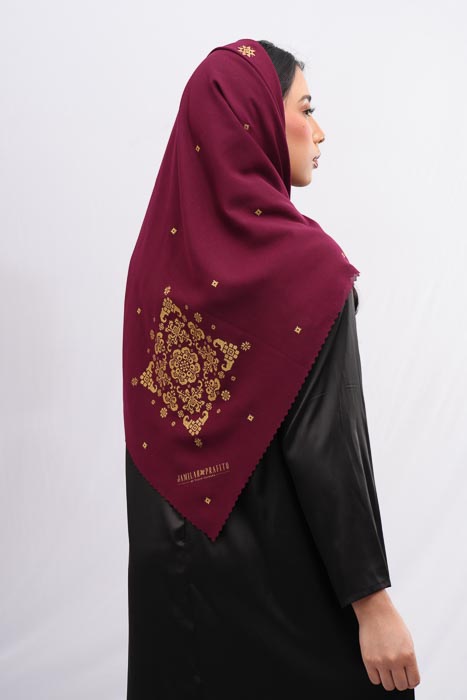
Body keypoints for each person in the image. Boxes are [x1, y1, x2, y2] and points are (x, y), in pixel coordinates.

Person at [122, 37, 421, 698]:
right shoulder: (308, 271)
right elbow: (326, 449)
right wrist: (373, 605)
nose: (320, 130)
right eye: (305, 108)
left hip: (172, 596)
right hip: (285, 594)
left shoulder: (153, 272)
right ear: (251, 119)